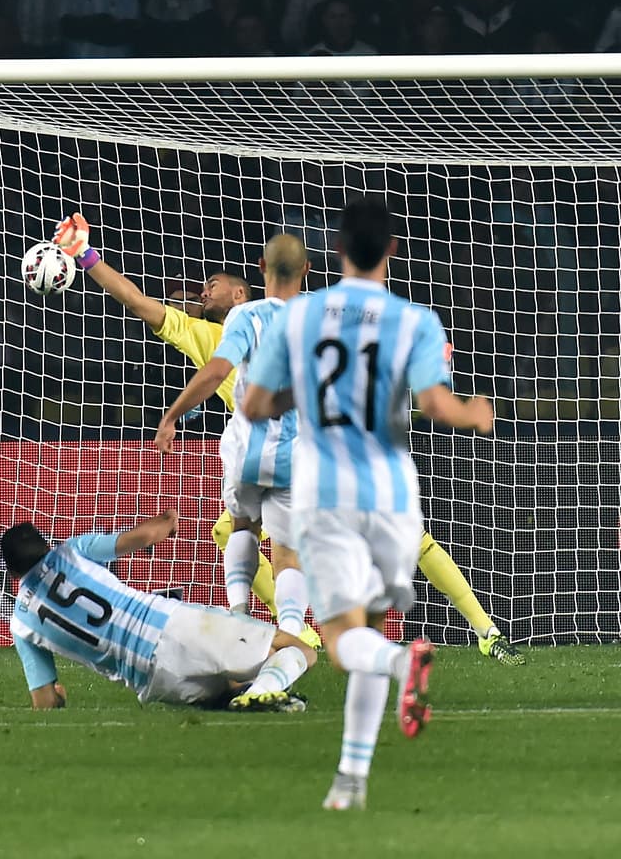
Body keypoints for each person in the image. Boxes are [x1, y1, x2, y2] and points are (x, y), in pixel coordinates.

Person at [55, 211, 524, 666]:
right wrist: (87, 256)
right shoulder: (212, 334)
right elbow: (138, 302)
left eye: (212, 285)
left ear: (245, 286)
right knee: (244, 532)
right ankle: (294, 626)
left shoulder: (279, 319)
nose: (202, 292)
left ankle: (486, 632)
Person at [241, 195, 495, 810]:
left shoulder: (300, 319)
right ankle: (350, 781)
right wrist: (475, 413)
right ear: (392, 250)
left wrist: (289, 400)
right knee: (372, 629)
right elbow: (437, 405)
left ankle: (401, 666)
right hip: (392, 496)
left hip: (327, 494)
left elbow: (254, 404)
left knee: (341, 643)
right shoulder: (416, 321)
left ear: (334, 250)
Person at [154, 234, 311, 645]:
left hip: (246, 451)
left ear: (261, 268)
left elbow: (216, 371)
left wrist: (172, 416)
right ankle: (292, 630)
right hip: (295, 454)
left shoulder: (246, 315)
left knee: (242, 525)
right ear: (306, 271)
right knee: (287, 551)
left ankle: (239, 616)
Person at [3, 510, 316, 711]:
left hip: (152, 682)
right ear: (47, 545)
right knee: (300, 649)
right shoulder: (71, 551)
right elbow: (146, 536)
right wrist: (168, 519)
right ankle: (261, 693)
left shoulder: (21, 622)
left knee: (230, 687)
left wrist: (57, 697)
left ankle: (251, 695)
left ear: (13, 574)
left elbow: (43, 701)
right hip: (171, 625)